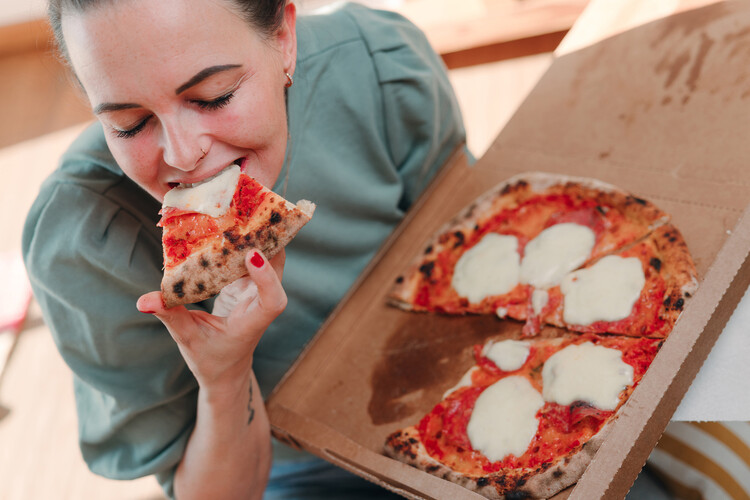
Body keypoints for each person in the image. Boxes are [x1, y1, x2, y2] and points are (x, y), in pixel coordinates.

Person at [23, 0, 466, 499]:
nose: (183, 154)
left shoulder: (376, 61)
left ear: (283, 40)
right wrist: (226, 375)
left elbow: (470, 243)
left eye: (213, 96)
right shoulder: (83, 238)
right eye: (129, 123)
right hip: (297, 463)